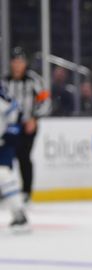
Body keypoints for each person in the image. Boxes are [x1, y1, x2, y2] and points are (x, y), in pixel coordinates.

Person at [2, 47, 50, 203]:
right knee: (5, 160)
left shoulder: (33, 80)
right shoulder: (5, 81)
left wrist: (34, 119)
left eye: (20, 62)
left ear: (25, 63)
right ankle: (5, 191)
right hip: (8, 128)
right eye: (15, 62)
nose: (17, 65)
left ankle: (26, 192)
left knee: (24, 157)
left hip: (27, 127)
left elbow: (45, 100)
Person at [0, 85, 28, 232]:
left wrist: (11, 131)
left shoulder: (1, 96)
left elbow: (15, 110)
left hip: (3, 143)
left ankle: (19, 214)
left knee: (3, 173)